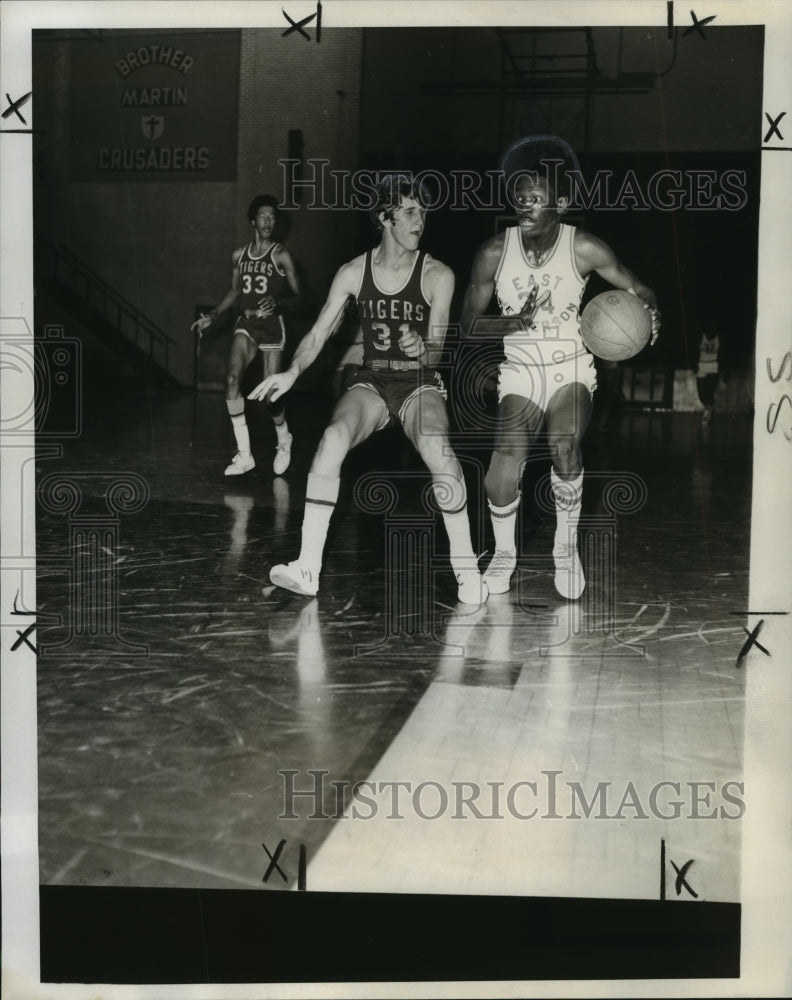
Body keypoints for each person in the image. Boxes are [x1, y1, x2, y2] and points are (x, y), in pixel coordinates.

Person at [249, 175, 487, 605]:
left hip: (418, 381)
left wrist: (423, 350)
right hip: (373, 378)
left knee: (439, 450)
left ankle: (467, 569)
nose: (420, 220)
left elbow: (435, 353)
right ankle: (307, 568)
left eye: (423, 211)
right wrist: (292, 373)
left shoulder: (439, 274)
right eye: (410, 211)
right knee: (332, 438)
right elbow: (320, 333)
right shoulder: (353, 272)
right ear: (384, 217)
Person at [460, 138, 660, 600]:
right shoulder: (494, 252)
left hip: (571, 367)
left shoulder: (584, 247)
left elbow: (639, 287)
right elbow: (469, 326)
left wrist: (651, 310)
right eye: (519, 197)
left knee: (564, 445)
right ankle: (504, 555)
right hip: (521, 370)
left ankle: (565, 549)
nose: (524, 205)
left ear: (561, 204)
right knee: (501, 472)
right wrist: (516, 320)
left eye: (535, 198)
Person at [192, 195, 303, 476]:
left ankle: (284, 438)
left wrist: (279, 302)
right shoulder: (238, 256)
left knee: (271, 398)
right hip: (246, 323)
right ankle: (245, 454)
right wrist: (213, 315)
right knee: (231, 380)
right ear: (253, 220)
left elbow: (301, 297)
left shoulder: (281, 254)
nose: (268, 221)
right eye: (263, 216)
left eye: (272, 217)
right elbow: (234, 292)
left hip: (271, 326)